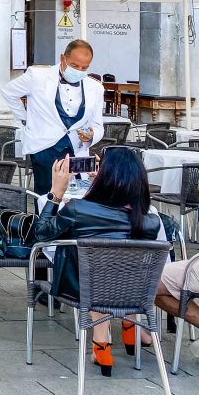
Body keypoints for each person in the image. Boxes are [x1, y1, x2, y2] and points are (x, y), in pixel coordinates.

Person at [32, 149, 161, 376]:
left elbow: (41, 234)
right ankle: (129, 328)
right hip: (134, 294)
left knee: (92, 270)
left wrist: (56, 192)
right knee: (119, 268)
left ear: (105, 177)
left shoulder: (78, 210)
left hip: (82, 290)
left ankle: (101, 345)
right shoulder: (151, 221)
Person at [1, 39, 105, 195]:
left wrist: (91, 135)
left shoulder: (96, 88)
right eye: (75, 66)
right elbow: (8, 92)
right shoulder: (37, 75)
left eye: (85, 68)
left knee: (77, 197)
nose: (79, 70)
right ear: (63, 58)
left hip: (77, 151)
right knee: (46, 196)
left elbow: (98, 124)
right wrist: (27, 119)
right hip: (44, 147)